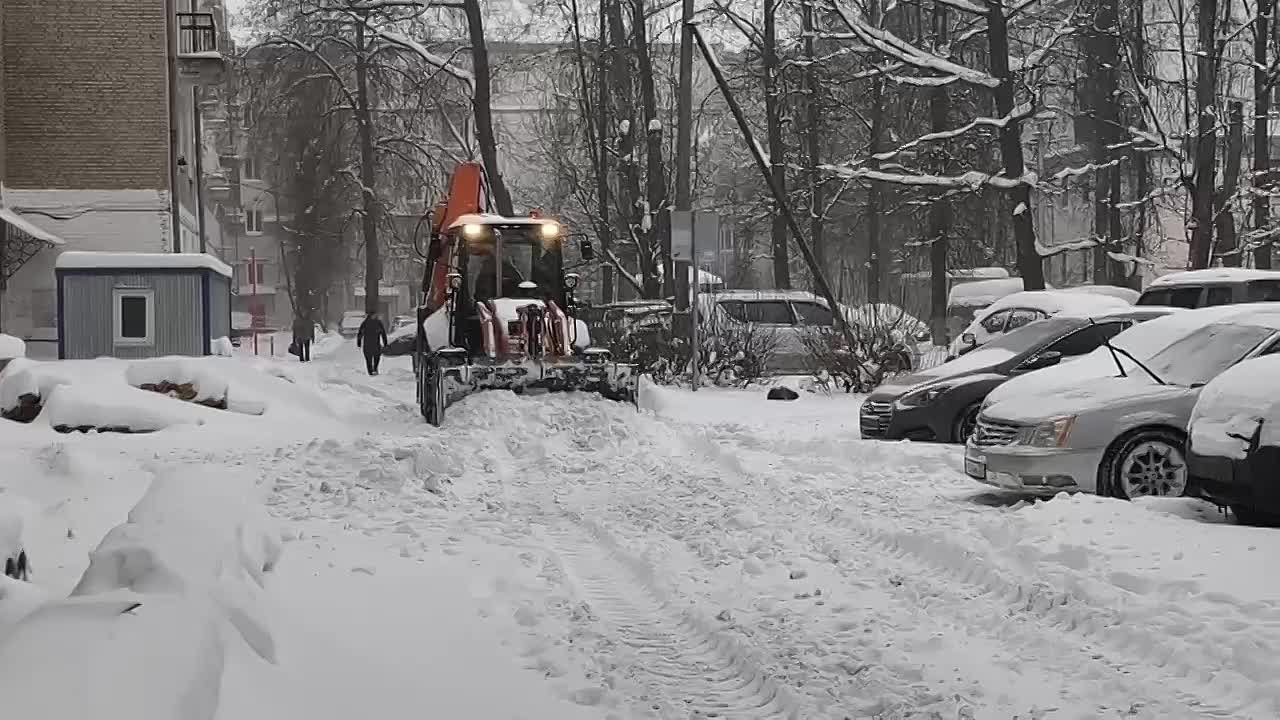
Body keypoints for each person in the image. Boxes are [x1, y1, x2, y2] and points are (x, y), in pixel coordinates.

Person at [356, 311, 388, 375]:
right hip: (368, 345)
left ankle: (375, 369)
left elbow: (383, 333)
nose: (375, 316)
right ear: (370, 315)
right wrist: (359, 342)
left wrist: (385, 343)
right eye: (374, 315)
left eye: (375, 315)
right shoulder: (366, 323)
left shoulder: (377, 323)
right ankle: (370, 371)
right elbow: (360, 333)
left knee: (376, 357)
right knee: (369, 359)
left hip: (375, 344)